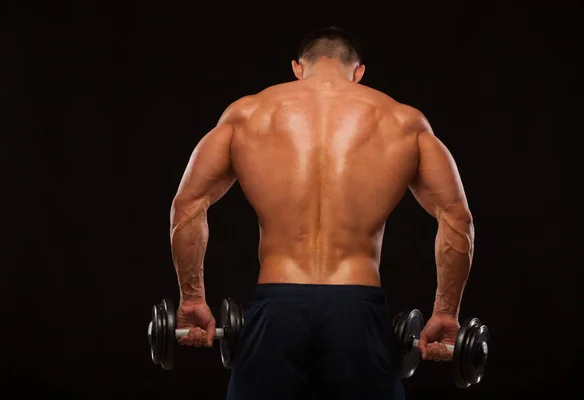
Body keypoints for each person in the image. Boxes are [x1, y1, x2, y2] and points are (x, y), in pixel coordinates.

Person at [168, 26, 474, 400]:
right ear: (358, 71)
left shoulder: (245, 114)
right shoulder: (404, 122)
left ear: (297, 67)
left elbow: (187, 205)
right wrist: (445, 312)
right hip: (357, 311)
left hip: (277, 309)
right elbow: (457, 219)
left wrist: (193, 299)